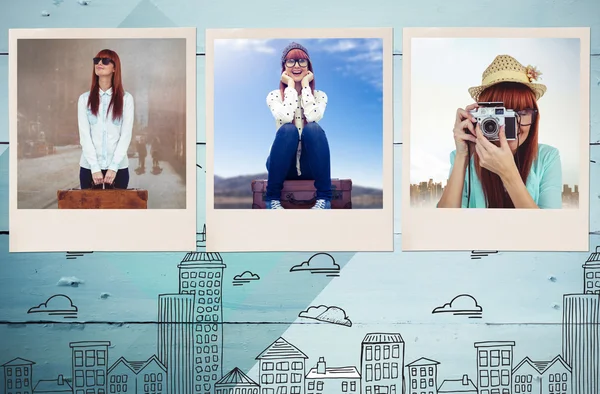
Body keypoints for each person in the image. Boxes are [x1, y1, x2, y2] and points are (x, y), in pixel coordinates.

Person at [437, 54, 562, 209]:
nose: (512, 126)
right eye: (500, 116)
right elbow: (444, 225)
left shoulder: (547, 158)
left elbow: (551, 230)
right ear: (479, 115)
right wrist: (463, 157)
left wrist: (508, 173)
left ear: (534, 117)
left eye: (522, 113)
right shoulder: (461, 157)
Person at [264, 42, 332, 209]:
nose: (296, 66)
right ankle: (272, 199)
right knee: (288, 129)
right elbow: (286, 117)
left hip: (310, 166)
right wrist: (292, 88)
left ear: (308, 66)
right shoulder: (274, 96)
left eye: (302, 61)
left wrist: (306, 87)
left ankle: (324, 200)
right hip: (283, 165)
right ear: (284, 67)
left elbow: (313, 116)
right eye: (291, 61)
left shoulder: (320, 96)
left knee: (313, 128)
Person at [77, 49, 134, 189]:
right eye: (97, 60)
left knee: (117, 210)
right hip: (89, 168)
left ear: (115, 68)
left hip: (118, 168)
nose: (99, 63)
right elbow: (85, 136)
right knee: (89, 210)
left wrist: (113, 167)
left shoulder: (126, 99)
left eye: (105, 60)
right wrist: (95, 168)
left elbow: (125, 135)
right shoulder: (84, 99)